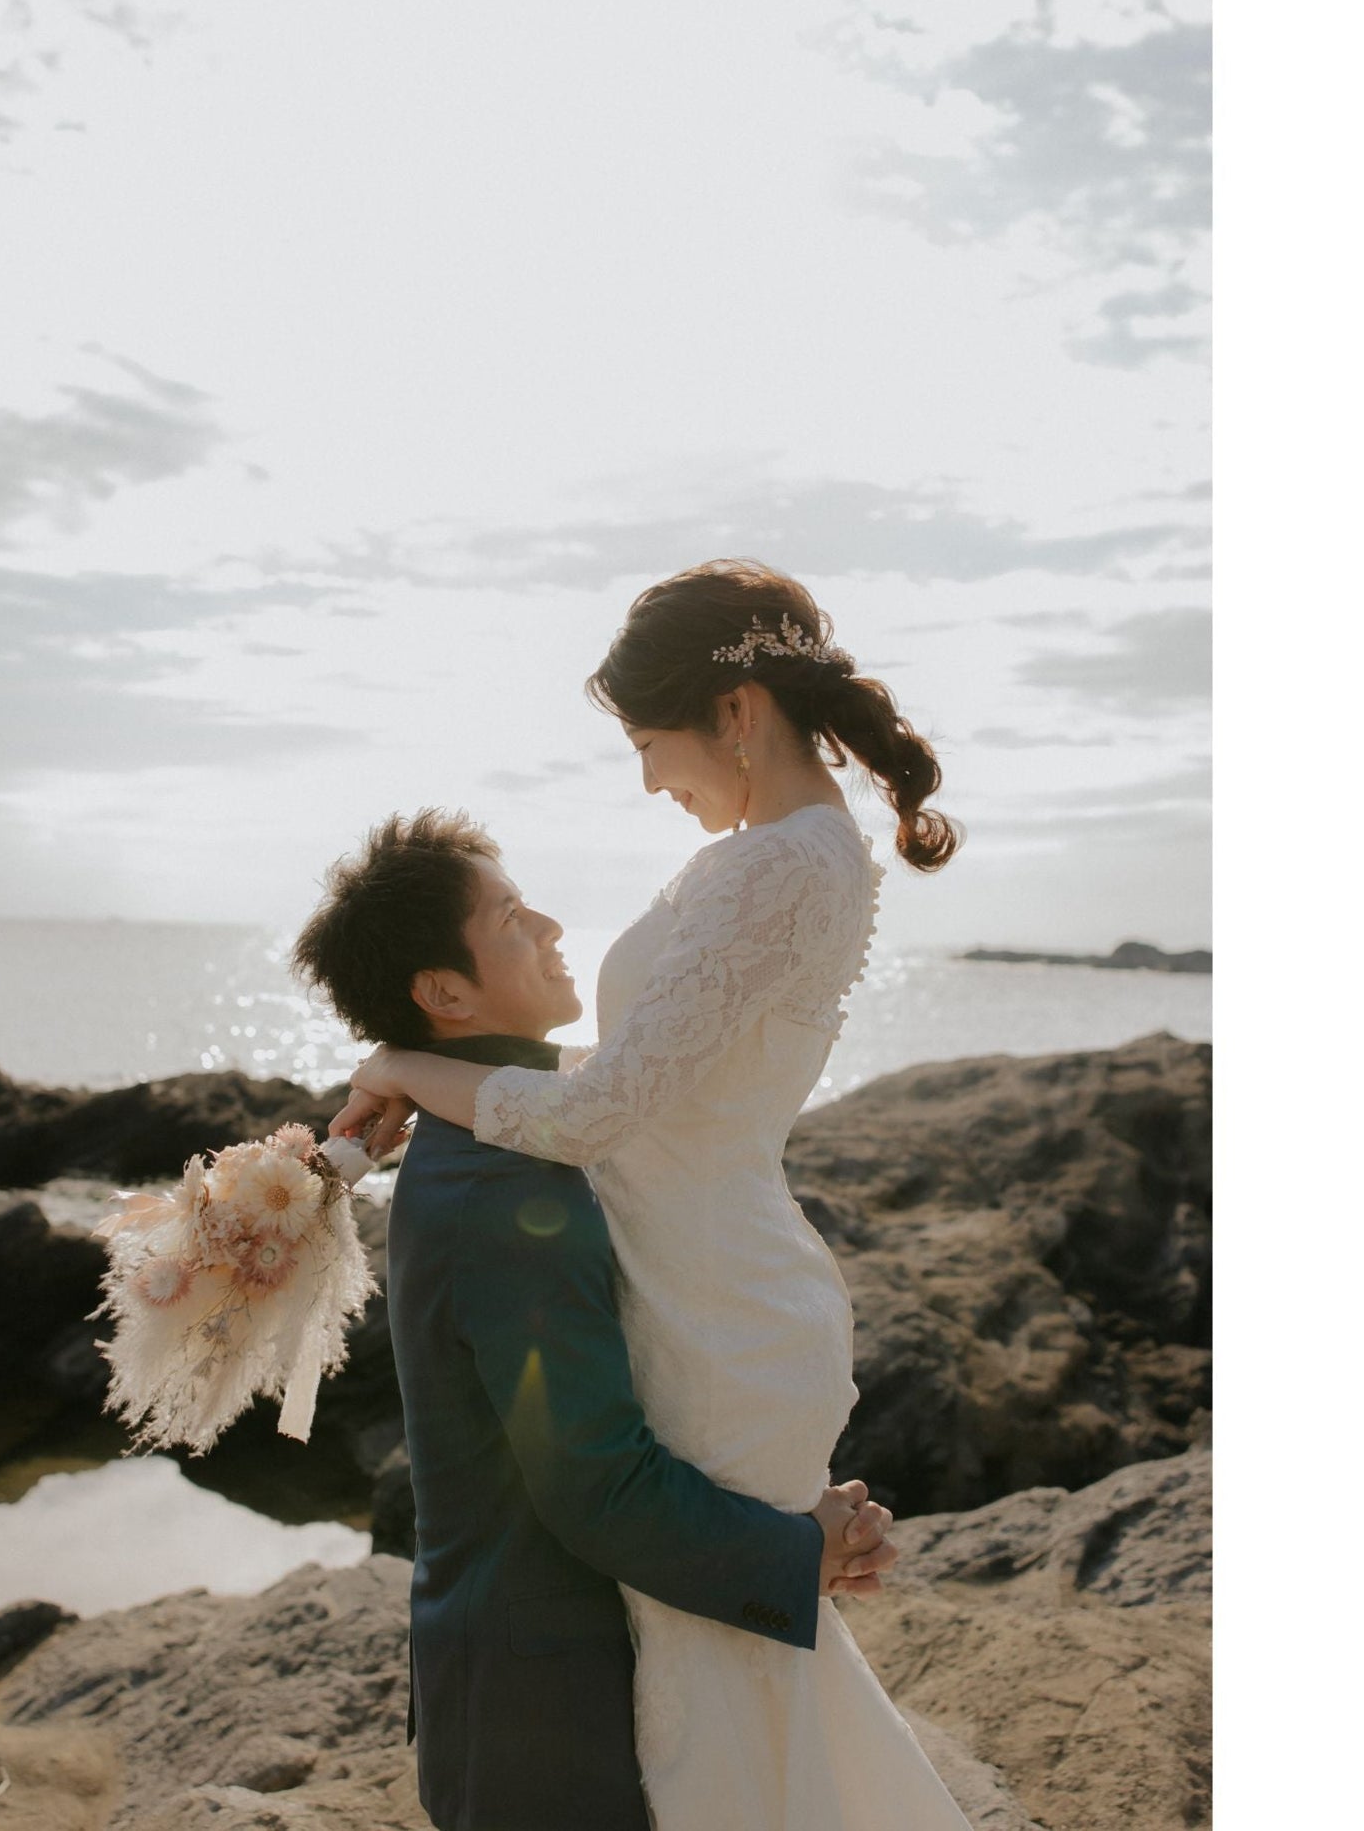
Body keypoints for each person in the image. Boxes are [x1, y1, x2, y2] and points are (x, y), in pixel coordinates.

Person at [331, 558, 972, 1831]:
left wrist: (407, 1064)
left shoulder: (775, 867)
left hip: (710, 1300)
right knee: (733, 1687)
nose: (644, 781)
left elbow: (601, 1112)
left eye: (643, 743)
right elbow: (643, 1078)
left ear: (733, 711)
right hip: (711, 1277)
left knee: (720, 1698)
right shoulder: (782, 857)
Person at [292, 807, 898, 1831]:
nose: (550, 925)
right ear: (444, 992)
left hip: (545, 1680)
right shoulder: (497, 1189)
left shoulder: (511, 1133)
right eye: (509, 918)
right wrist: (798, 1554)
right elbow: (591, 1480)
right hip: (543, 1710)